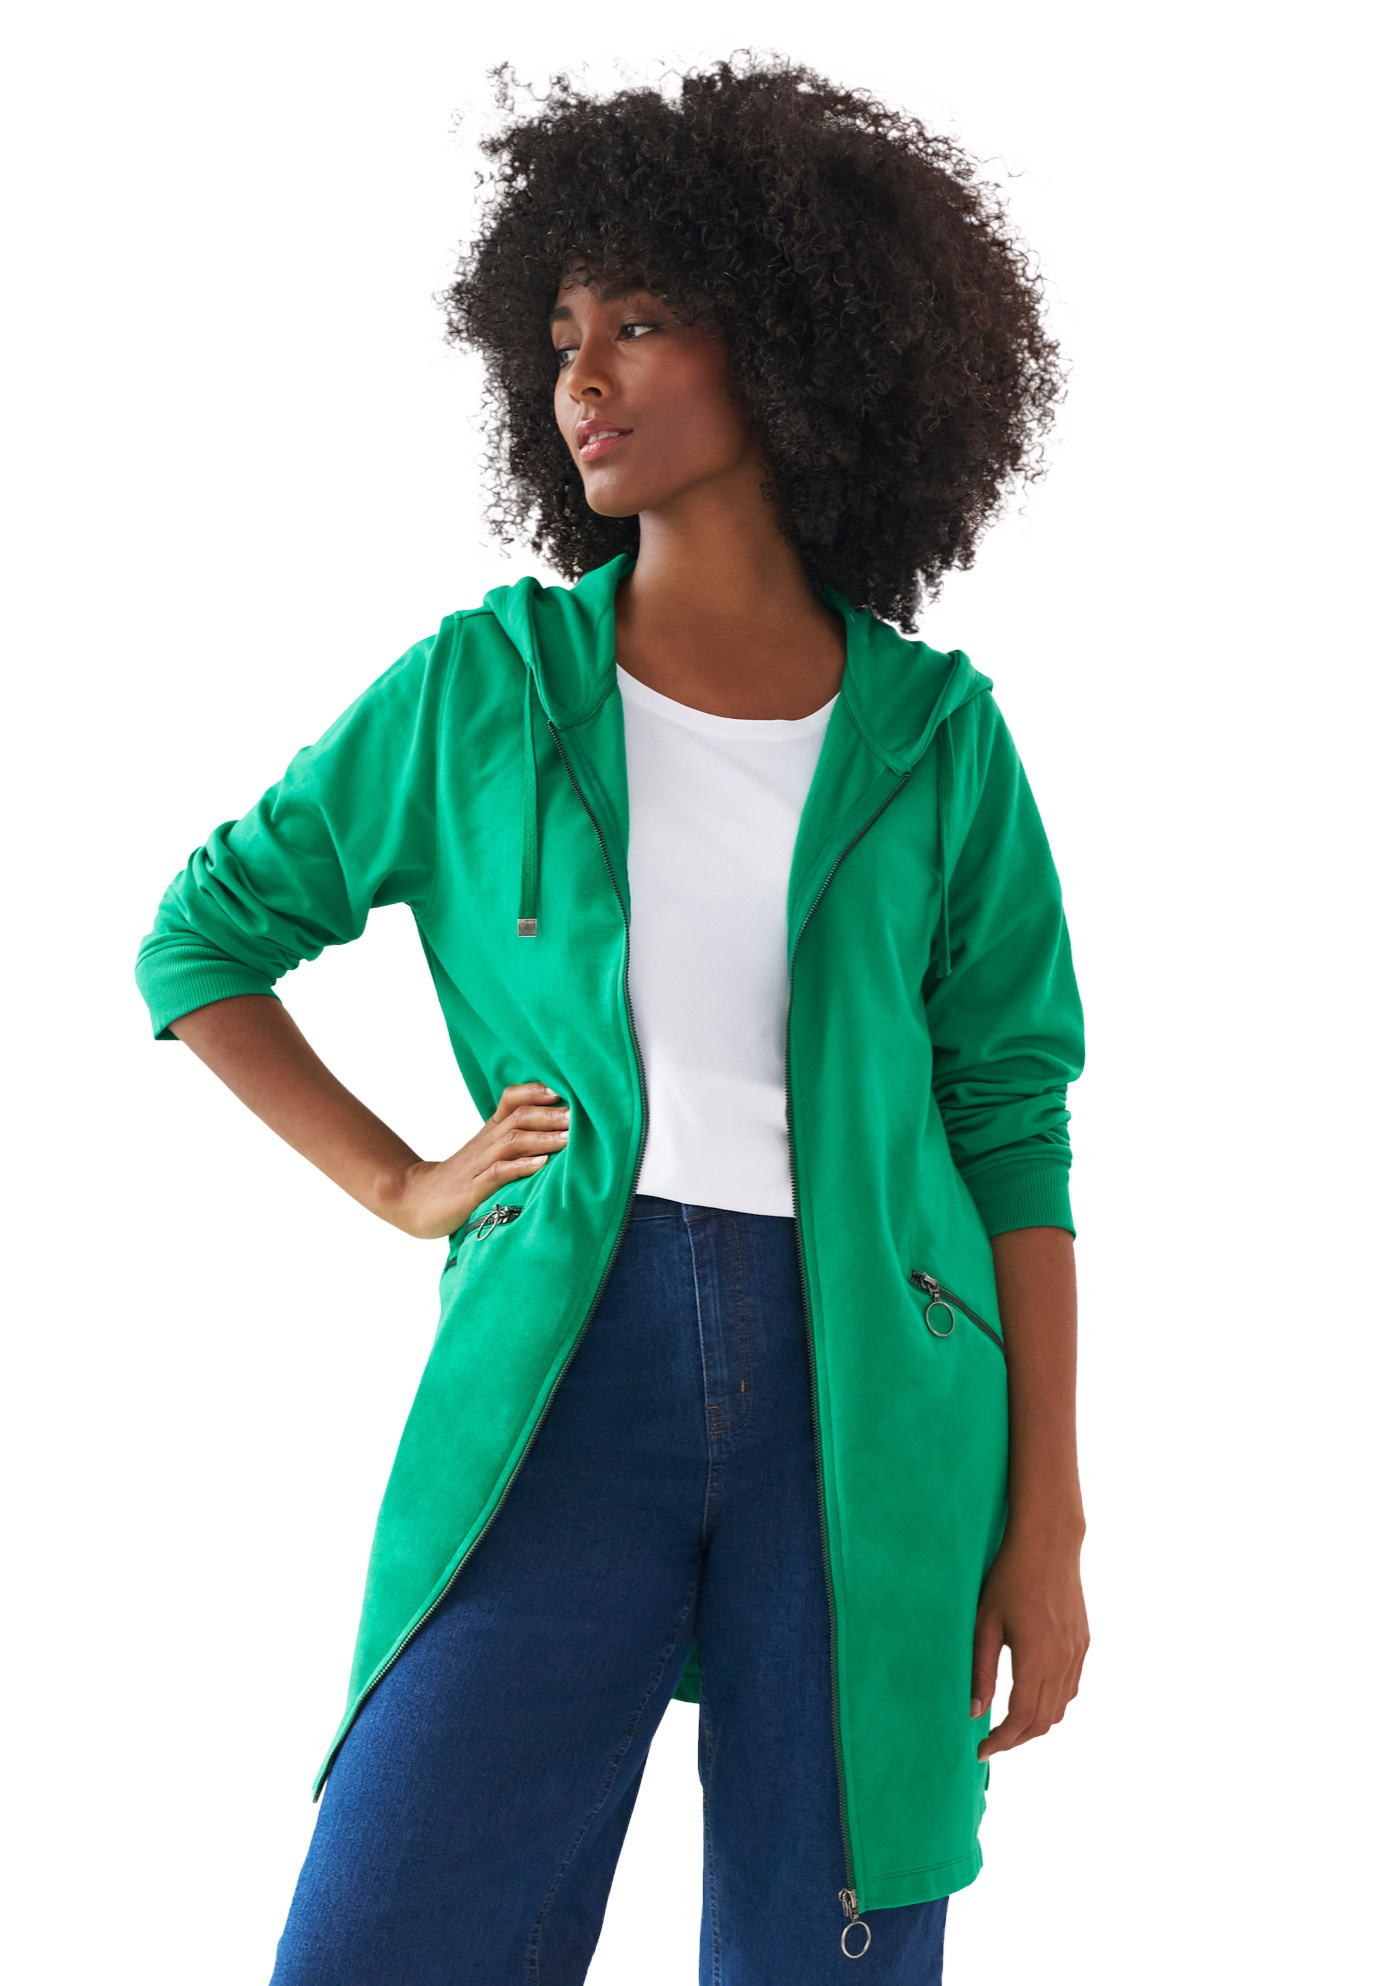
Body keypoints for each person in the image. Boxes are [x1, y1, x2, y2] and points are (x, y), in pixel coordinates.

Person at [134, 55, 1088, 1985]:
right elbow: (202, 940)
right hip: (565, 1367)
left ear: (796, 349)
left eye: (640, 323)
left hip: (877, 1395)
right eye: (562, 334)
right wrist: (402, 1181)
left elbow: (1012, 1125)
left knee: (827, 1942)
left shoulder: (940, 742)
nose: (584, 377)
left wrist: (1046, 1524)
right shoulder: (483, 691)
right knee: (386, 1934)